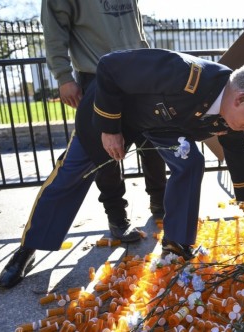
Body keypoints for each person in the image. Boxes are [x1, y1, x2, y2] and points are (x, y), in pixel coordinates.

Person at [0, 48, 244, 289]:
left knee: (191, 161)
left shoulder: (229, 116)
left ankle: (176, 246)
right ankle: (27, 249)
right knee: (71, 174)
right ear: (241, 98)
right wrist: (110, 128)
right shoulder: (184, 72)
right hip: (114, 115)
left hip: (159, 124)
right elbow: (109, 65)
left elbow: (239, 162)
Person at [41, 0, 167, 243]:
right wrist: (64, 76)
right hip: (98, 74)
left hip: (139, 72)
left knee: (152, 143)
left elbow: (134, 26)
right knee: (104, 153)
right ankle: (117, 216)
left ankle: (160, 202)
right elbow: (54, 30)